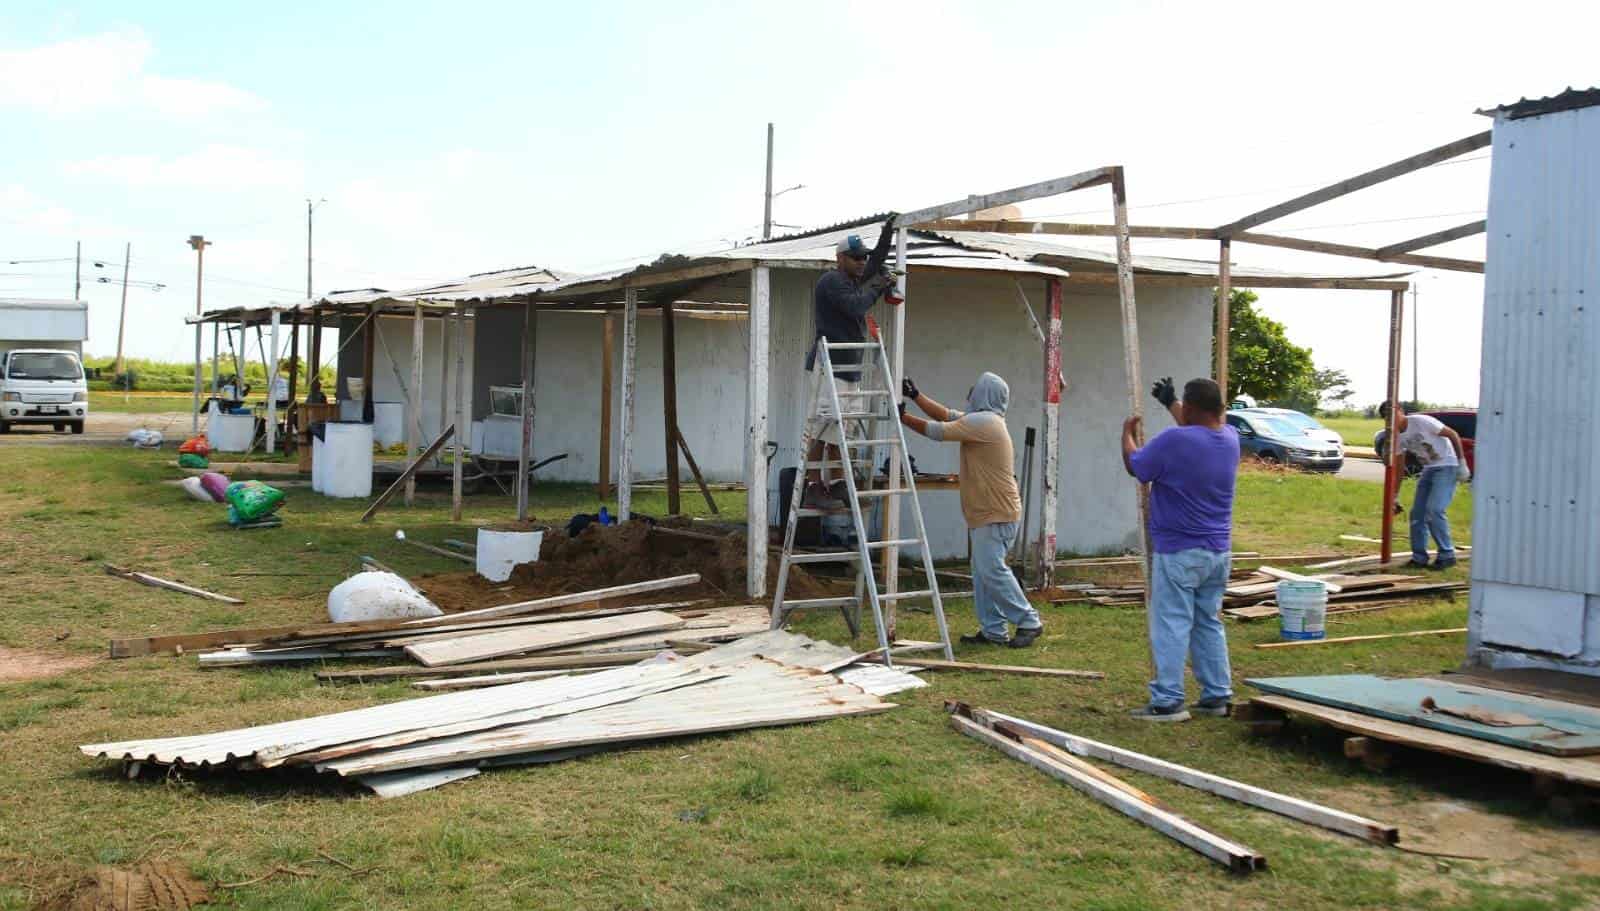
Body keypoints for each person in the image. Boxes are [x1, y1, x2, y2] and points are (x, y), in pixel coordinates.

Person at [1121, 376, 1239, 722]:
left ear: (1189, 410)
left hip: (1179, 551)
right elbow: (1196, 431)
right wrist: (1172, 403)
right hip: (1218, 552)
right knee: (1207, 622)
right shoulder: (1229, 438)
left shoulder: (1175, 440)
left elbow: (1137, 466)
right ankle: (1217, 695)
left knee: (1171, 622)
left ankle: (1168, 700)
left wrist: (1126, 434)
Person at [900, 371, 1044, 648]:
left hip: (995, 511)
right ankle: (993, 631)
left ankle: (1029, 620)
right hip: (989, 511)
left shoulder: (986, 423)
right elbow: (945, 415)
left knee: (992, 570)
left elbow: (938, 431)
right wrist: (916, 396)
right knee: (982, 573)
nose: (969, 393)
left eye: (974, 388)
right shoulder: (982, 420)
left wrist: (903, 418)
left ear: (984, 394)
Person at [802, 223, 901, 507]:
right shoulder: (832, 281)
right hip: (829, 367)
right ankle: (812, 488)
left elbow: (877, 262)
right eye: (856, 257)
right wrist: (880, 287)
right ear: (840, 258)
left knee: (840, 432)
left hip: (847, 368)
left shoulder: (853, 279)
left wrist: (887, 234)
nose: (862, 262)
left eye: (863, 257)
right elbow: (857, 307)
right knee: (823, 428)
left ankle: (835, 484)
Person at [1379, 401, 1470, 569]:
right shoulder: (1396, 435)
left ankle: (1447, 554)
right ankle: (1419, 557)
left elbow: (1453, 435)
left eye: (1393, 414)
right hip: (1428, 469)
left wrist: (1461, 462)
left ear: (1401, 411)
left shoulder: (1421, 421)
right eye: (1386, 417)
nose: (1391, 419)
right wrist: (1395, 495)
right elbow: (1399, 466)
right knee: (1417, 514)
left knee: (1434, 509)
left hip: (1447, 466)